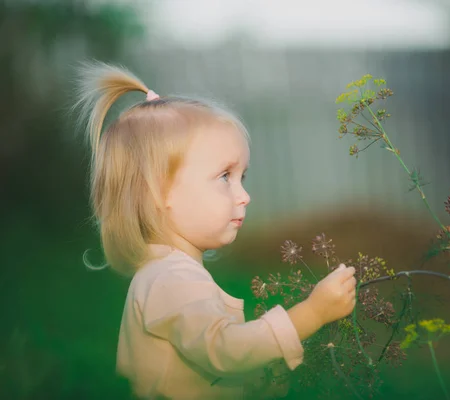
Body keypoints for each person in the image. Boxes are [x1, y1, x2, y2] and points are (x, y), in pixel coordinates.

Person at [73, 61, 357, 399]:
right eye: (225, 177)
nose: (244, 195)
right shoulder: (171, 279)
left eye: (242, 177)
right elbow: (225, 351)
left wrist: (259, 381)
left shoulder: (173, 272)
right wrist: (312, 313)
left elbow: (205, 369)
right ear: (160, 193)